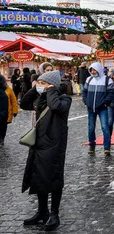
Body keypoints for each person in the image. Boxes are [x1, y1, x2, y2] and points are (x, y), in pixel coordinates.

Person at [19, 70, 71, 231]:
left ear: (52, 86)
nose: (40, 86)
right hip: (38, 143)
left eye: (43, 83)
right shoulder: (41, 97)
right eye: (39, 82)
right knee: (38, 176)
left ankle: (54, 214)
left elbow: (55, 107)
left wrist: (50, 90)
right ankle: (42, 212)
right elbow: (24, 104)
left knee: (53, 177)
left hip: (54, 145)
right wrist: (34, 89)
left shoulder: (64, 99)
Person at [82, 62, 114, 155]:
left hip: (102, 108)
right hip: (90, 108)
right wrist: (86, 101)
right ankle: (92, 145)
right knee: (91, 128)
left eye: (94, 70)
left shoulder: (107, 80)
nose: (93, 72)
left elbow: (111, 92)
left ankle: (107, 147)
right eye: (91, 70)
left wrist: (105, 102)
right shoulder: (89, 79)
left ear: (99, 70)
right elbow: (84, 92)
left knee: (105, 127)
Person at [0, 74, 18, 144]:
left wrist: (15, 111)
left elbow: (13, 101)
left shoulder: (8, 89)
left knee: (3, 127)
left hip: (6, 113)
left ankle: (2, 138)